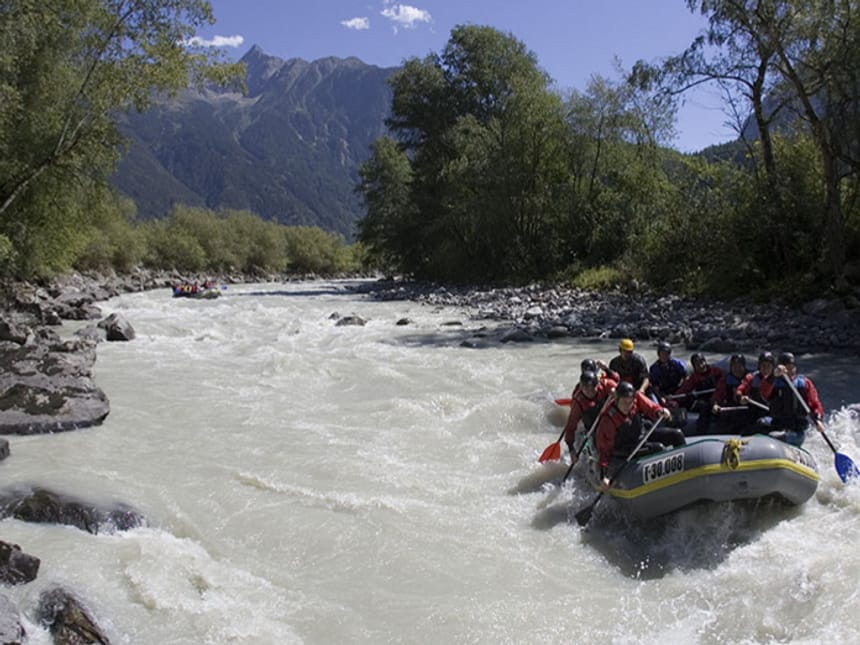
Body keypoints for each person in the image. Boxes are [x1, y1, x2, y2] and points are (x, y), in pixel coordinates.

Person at [596, 381, 685, 490]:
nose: (627, 406)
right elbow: (604, 448)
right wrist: (605, 474)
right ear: (617, 400)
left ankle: (685, 472)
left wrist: (659, 412)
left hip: (641, 436)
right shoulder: (608, 419)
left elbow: (650, 407)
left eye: (629, 402)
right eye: (623, 402)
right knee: (658, 448)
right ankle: (665, 484)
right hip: (626, 448)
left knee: (677, 435)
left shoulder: (636, 397)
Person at [756, 352, 825, 446]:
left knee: (774, 436)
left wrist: (818, 419)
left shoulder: (804, 383)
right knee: (761, 423)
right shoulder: (773, 382)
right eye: (786, 368)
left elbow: (815, 403)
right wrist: (773, 375)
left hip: (795, 429)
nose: (790, 371)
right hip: (778, 424)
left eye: (792, 367)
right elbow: (764, 393)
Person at [562, 370, 617, 461]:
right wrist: (571, 449)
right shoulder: (578, 402)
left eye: (592, 388)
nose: (589, 392)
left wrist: (617, 393)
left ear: (597, 385)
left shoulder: (606, 384)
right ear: (581, 388)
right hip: (593, 426)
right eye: (586, 388)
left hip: (610, 419)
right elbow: (571, 426)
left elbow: (624, 392)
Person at [674, 353, 725, 434]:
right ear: (694, 366)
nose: (701, 366)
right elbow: (684, 389)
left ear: (705, 361)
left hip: (718, 397)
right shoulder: (694, 377)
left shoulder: (717, 372)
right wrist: (674, 398)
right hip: (705, 400)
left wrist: (715, 400)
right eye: (697, 364)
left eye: (702, 362)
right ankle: (701, 431)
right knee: (704, 406)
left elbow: (722, 386)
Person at [711, 354, 752, 433]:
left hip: (748, 408)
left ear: (744, 366)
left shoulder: (750, 378)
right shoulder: (726, 379)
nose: (737, 369)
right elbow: (717, 394)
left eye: (739, 366)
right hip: (731, 407)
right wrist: (715, 404)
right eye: (734, 366)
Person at [737, 351, 776, 424]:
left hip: (772, 413)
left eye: (768, 366)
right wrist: (741, 397)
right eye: (763, 365)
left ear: (773, 367)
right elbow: (740, 390)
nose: (765, 368)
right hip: (754, 411)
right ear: (759, 366)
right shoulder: (751, 377)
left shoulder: (778, 380)